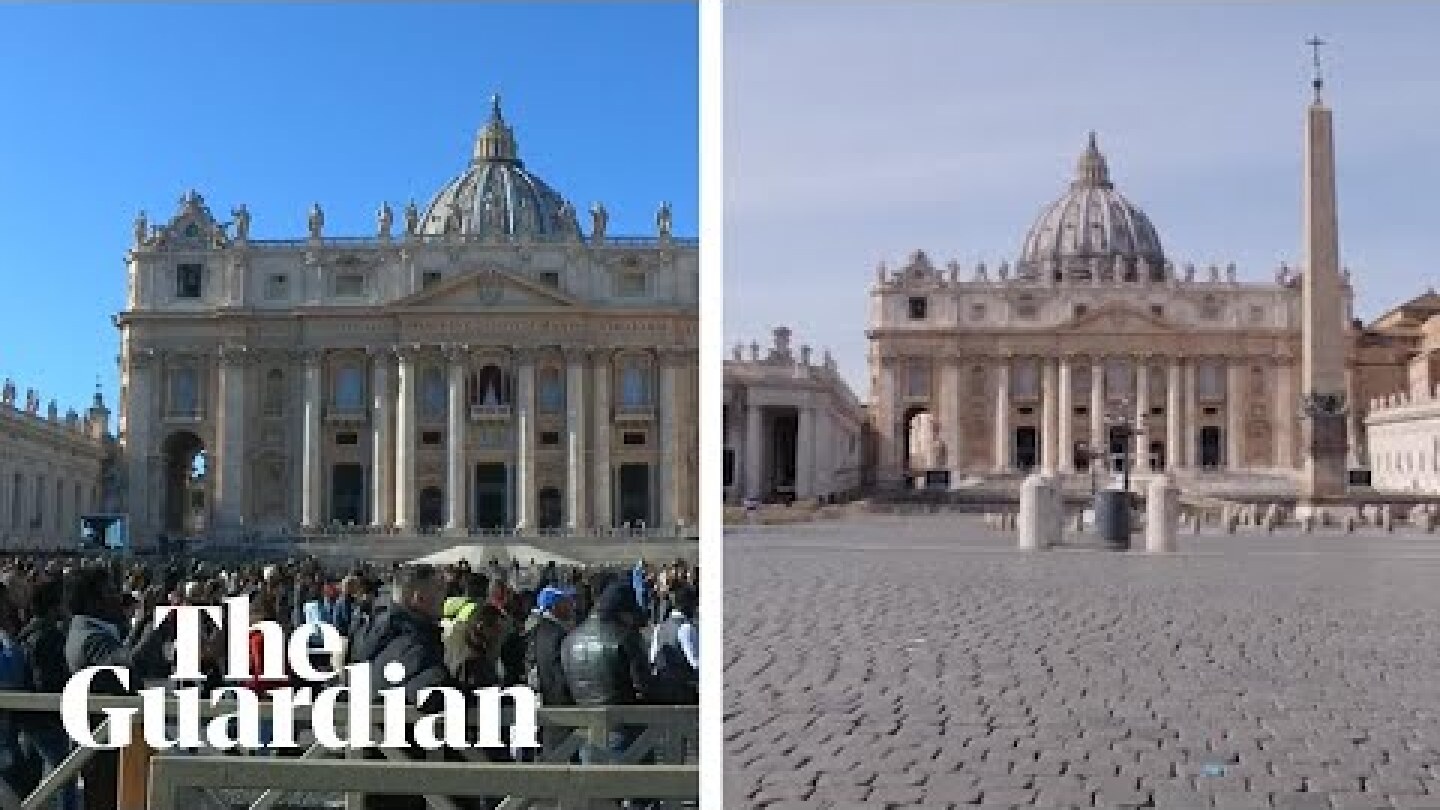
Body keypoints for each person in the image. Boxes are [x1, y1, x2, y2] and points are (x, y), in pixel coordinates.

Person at [63, 567, 172, 810]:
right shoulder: (89, 638)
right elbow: (131, 665)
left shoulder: (91, 630)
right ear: (93, 600)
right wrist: (152, 622)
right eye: (110, 591)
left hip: (113, 740)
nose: (117, 596)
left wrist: (142, 620)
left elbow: (123, 654)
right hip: (104, 743)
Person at [17, 576, 78, 810]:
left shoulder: (29, 631)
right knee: (65, 775)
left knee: (33, 780)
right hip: (46, 719)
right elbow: (46, 681)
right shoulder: (48, 636)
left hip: (30, 717)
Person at [647, 584, 699, 705]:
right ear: (689, 605)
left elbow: (652, 658)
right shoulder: (686, 628)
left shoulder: (659, 628)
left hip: (661, 688)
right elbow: (696, 663)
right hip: (683, 690)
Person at [524, 587, 574, 706]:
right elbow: (559, 671)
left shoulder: (538, 630)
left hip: (545, 700)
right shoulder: (557, 634)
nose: (571, 606)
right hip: (559, 702)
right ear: (554, 607)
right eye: (566, 602)